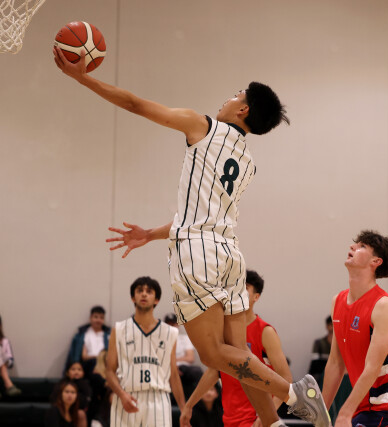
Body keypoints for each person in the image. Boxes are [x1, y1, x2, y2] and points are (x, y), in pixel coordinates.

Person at [53, 44, 329, 427]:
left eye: (235, 95)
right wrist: (151, 234)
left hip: (197, 254)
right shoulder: (247, 163)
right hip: (229, 254)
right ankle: (273, 424)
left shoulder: (203, 126)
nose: (228, 98)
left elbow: (135, 104)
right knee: (237, 353)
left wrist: (83, 79)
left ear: (243, 109)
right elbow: (202, 217)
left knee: (213, 355)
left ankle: (296, 394)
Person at [322, 231, 388, 427]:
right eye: (355, 244)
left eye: (362, 246)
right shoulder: (337, 301)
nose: (352, 247)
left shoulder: (384, 305)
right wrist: (321, 413)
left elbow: (373, 367)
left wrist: (344, 414)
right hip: (364, 407)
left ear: (376, 261)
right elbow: (336, 363)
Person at [180, 269, 293, 427]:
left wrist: (267, 416)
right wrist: (189, 405)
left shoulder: (265, 331)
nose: (238, 292)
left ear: (256, 297)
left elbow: (286, 379)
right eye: (236, 287)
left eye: (245, 288)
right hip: (229, 418)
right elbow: (214, 371)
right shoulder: (224, 331)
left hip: (255, 419)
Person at [106, 277, 186, 426]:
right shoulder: (119, 329)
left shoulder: (170, 333)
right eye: (139, 291)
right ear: (133, 297)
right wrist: (121, 394)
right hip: (126, 395)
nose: (144, 294)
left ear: (156, 300)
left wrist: (183, 409)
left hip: (158, 398)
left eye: (149, 291)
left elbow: (174, 375)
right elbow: (109, 371)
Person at [163, 313, 202, 398]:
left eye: (173, 324)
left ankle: (196, 400)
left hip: (183, 368)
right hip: (166, 368)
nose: (171, 326)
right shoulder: (161, 340)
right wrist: (173, 367)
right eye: (169, 324)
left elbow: (190, 358)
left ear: (177, 325)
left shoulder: (185, 339)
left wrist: (174, 362)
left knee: (197, 371)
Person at [67, 306, 111, 375]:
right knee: (93, 364)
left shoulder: (108, 335)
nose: (98, 320)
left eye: (101, 318)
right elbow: (83, 356)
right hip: (87, 364)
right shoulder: (83, 335)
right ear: (90, 318)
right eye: (96, 317)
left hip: (104, 365)